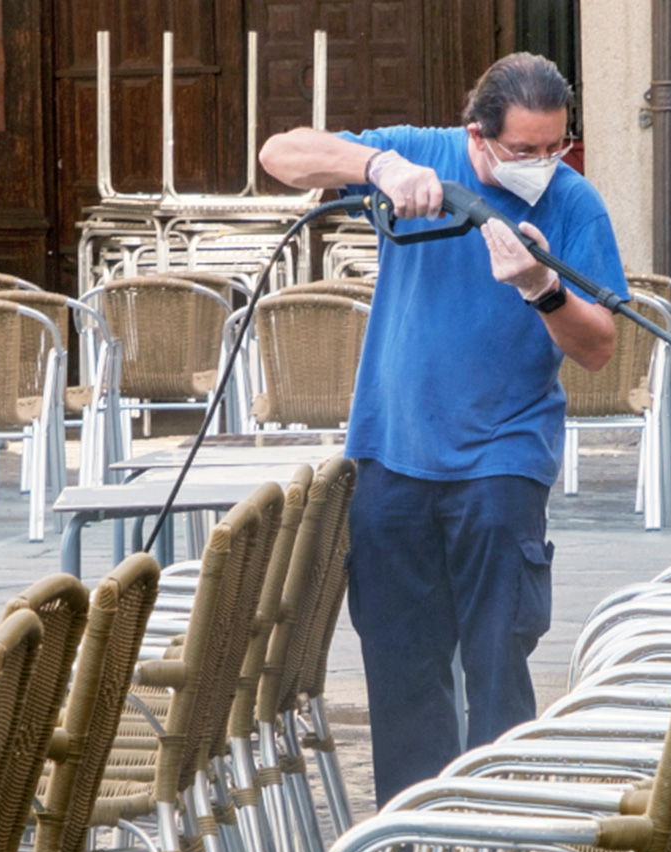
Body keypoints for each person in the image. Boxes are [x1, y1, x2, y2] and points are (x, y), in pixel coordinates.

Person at [258, 53, 625, 807]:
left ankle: (498, 833)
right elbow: (280, 155)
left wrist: (543, 289)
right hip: (393, 454)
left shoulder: (574, 205)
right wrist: (378, 165)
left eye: (556, 146)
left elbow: (598, 348)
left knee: (497, 665)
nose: (542, 164)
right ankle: (414, 843)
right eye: (524, 149)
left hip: (503, 457)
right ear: (477, 135)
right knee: (402, 669)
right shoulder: (421, 154)